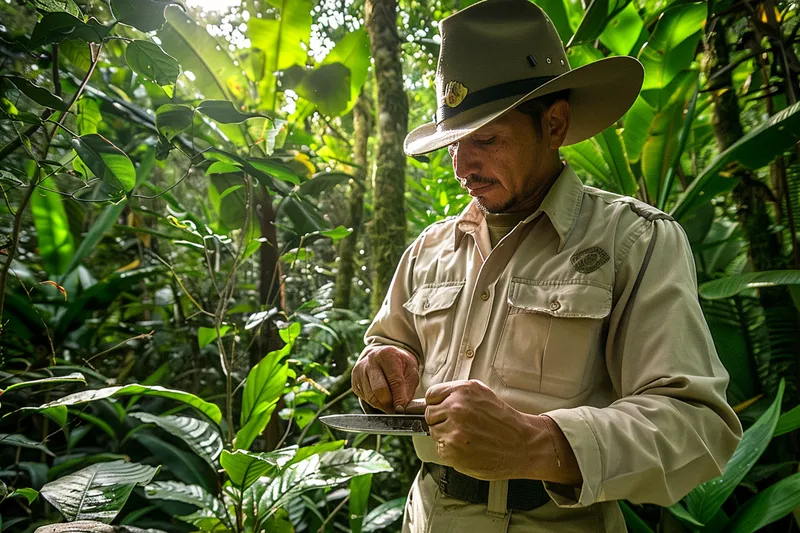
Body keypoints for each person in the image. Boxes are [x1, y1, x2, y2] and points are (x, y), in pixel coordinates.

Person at [351, 0, 743, 531]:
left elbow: (697, 427)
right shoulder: (430, 249)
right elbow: (392, 344)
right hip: (426, 516)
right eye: (453, 146)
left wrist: (538, 443)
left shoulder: (634, 241)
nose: (463, 167)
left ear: (554, 124)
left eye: (486, 139)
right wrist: (385, 359)